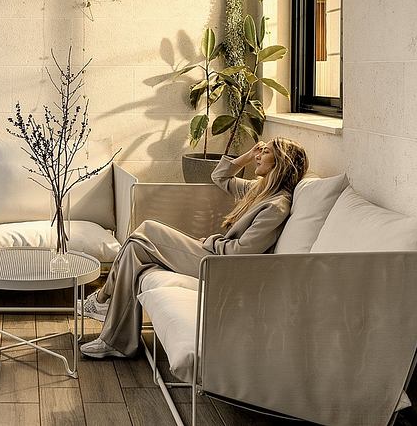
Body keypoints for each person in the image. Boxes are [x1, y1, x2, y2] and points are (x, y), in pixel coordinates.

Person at [78, 137, 309, 359]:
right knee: (134, 249)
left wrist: (211, 242)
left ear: (280, 163)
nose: (258, 155)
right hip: (212, 255)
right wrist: (246, 157)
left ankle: (103, 301)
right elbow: (220, 176)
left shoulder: (276, 206)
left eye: (265, 152)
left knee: (147, 230)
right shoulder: (258, 191)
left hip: (220, 266)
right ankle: (115, 339)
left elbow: (241, 254)